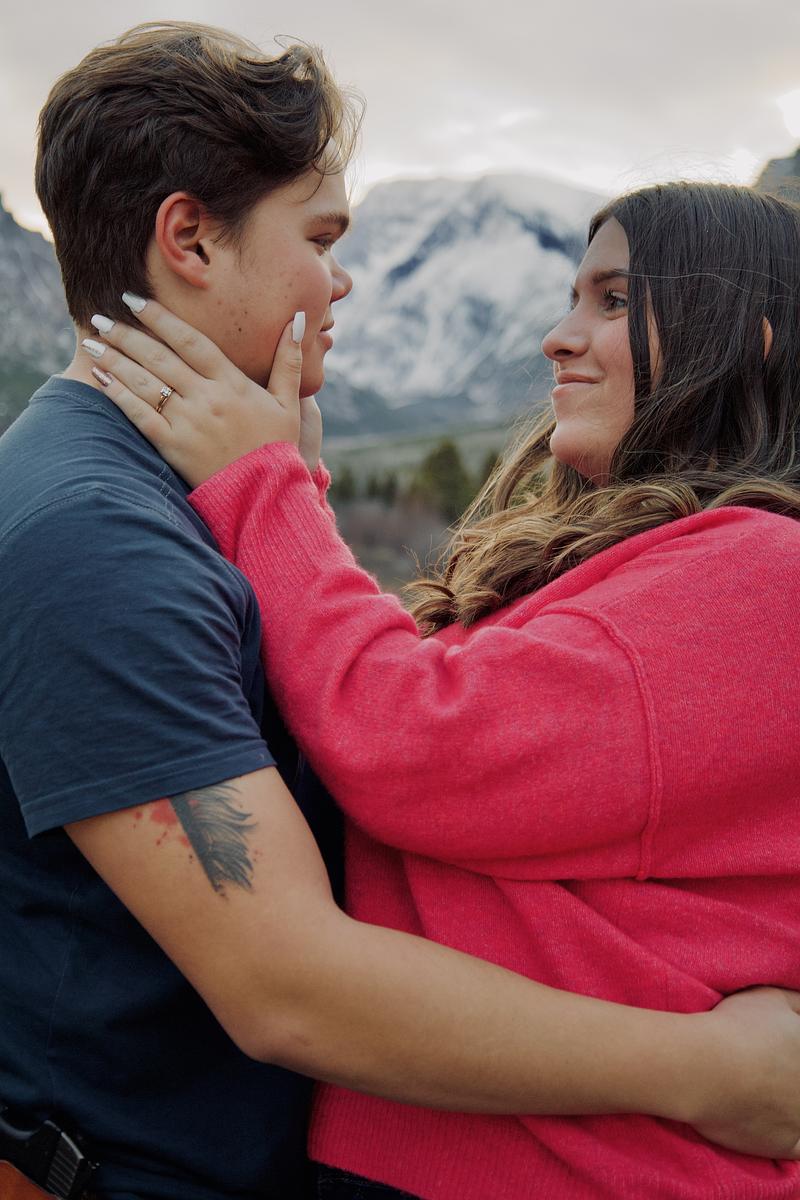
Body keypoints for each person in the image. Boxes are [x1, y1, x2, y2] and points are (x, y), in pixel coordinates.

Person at [4, 21, 796, 1200]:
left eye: (611, 300)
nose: (341, 280)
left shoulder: (745, 569)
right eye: (321, 238)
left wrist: (279, 490)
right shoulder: (97, 538)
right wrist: (708, 1069)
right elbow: (287, 978)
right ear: (190, 239)